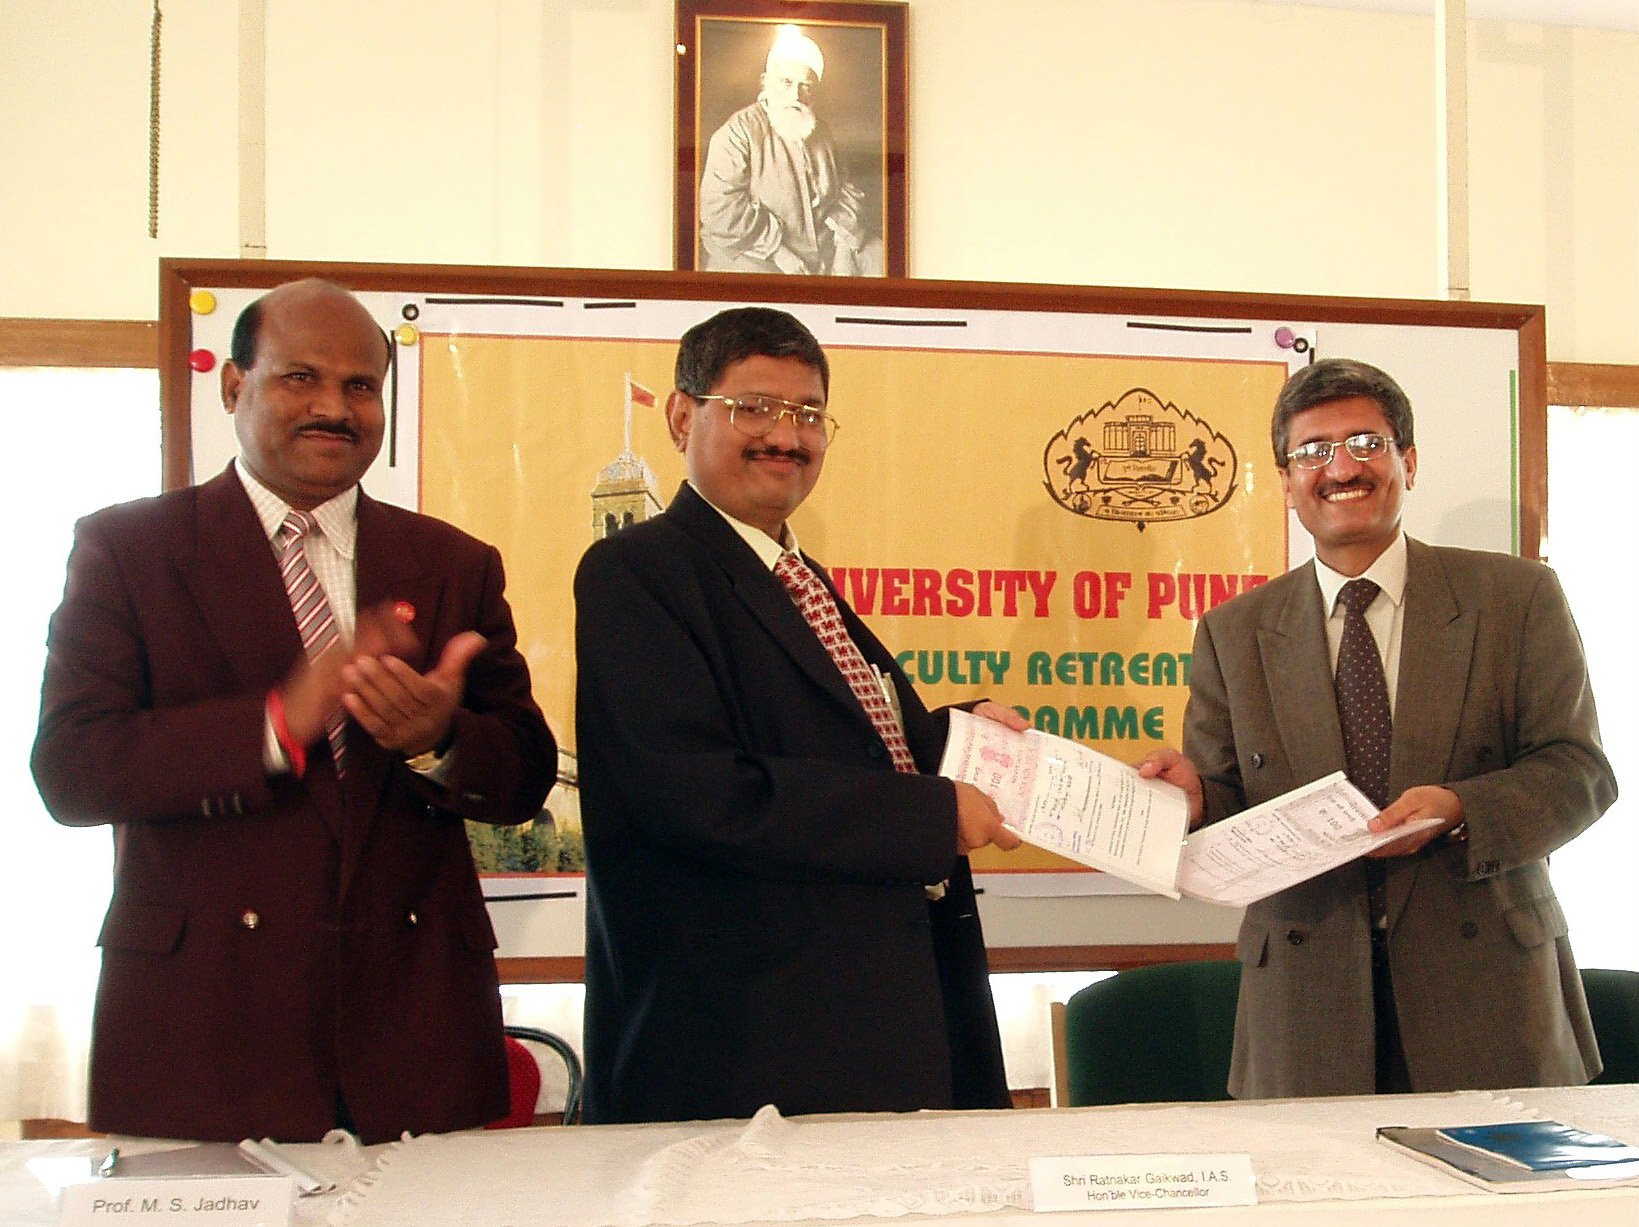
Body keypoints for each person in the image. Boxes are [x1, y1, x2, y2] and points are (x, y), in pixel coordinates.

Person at [31, 279, 556, 1143]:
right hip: (205, 1025)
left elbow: (525, 773)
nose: (334, 408)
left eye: (360, 386)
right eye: (299, 378)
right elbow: (72, 771)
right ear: (235, 385)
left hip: (413, 1025)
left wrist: (437, 742)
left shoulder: (452, 562)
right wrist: (273, 724)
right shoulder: (129, 549)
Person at [575, 306, 1020, 1124]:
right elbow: (697, 794)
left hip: (875, 1029)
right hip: (742, 1054)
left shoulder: (796, 575)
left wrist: (959, 736)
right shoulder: (636, 572)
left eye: (808, 414)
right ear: (682, 415)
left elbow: (845, 740)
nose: (786, 435)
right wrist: (931, 813)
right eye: (754, 407)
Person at [1141, 358, 1616, 1098]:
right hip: (1304, 997)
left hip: (1486, 984)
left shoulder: (1514, 596)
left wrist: (1462, 809)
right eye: (1312, 451)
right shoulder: (1233, 632)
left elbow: (1578, 769)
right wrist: (1197, 798)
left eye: (1365, 442)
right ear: (1286, 479)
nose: (1340, 467)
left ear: (1408, 461)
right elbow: (1234, 801)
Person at [698, 25, 879, 276]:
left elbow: (847, 192)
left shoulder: (821, 132)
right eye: (786, 82)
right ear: (765, 82)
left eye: (806, 86)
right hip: (754, 252)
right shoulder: (739, 132)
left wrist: (842, 249)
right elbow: (721, 210)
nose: (796, 95)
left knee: (879, 259)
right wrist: (779, 253)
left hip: (823, 249)